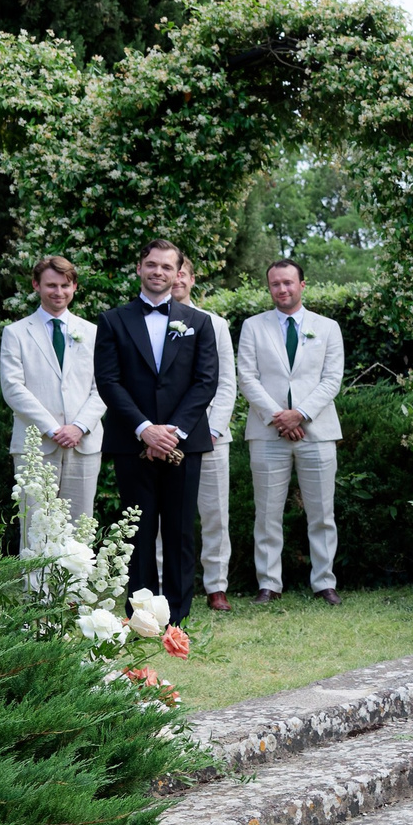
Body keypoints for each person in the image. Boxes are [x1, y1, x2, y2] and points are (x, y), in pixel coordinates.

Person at [93, 238, 220, 625]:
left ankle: (177, 620)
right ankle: (142, 619)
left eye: (167, 267)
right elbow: (109, 381)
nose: (158, 272)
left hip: (184, 444)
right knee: (138, 534)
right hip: (133, 443)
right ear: (139, 267)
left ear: (178, 273)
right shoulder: (113, 320)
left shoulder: (199, 322)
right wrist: (146, 430)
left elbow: (205, 382)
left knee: (181, 533)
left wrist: (172, 433)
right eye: (151, 264)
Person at [238, 259, 348, 605]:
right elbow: (247, 377)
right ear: (269, 288)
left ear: (303, 285)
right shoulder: (253, 327)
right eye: (275, 284)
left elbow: (332, 379)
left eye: (288, 283)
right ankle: (269, 583)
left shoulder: (327, 327)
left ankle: (324, 583)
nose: (281, 289)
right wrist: (278, 417)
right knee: (267, 512)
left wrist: (299, 414)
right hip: (268, 432)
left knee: (322, 513)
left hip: (317, 431)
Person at [0, 254, 104, 554]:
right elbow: (13, 388)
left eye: (65, 285)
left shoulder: (93, 332)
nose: (58, 292)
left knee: (80, 524)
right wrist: (54, 428)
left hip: (83, 444)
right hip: (35, 445)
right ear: (36, 285)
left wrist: (79, 427)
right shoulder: (16, 333)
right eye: (51, 285)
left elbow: (104, 387)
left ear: (74, 287)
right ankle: (35, 596)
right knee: (35, 524)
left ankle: (74, 597)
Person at [170, 259, 238, 611]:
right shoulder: (150, 323)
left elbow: (226, 382)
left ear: (192, 279)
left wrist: (212, 429)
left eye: (183, 273)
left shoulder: (215, 323)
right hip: (163, 439)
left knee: (214, 514)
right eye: (171, 271)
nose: (176, 278)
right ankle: (162, 588)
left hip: (210, 436)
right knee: (162, 516)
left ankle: (216, 586)